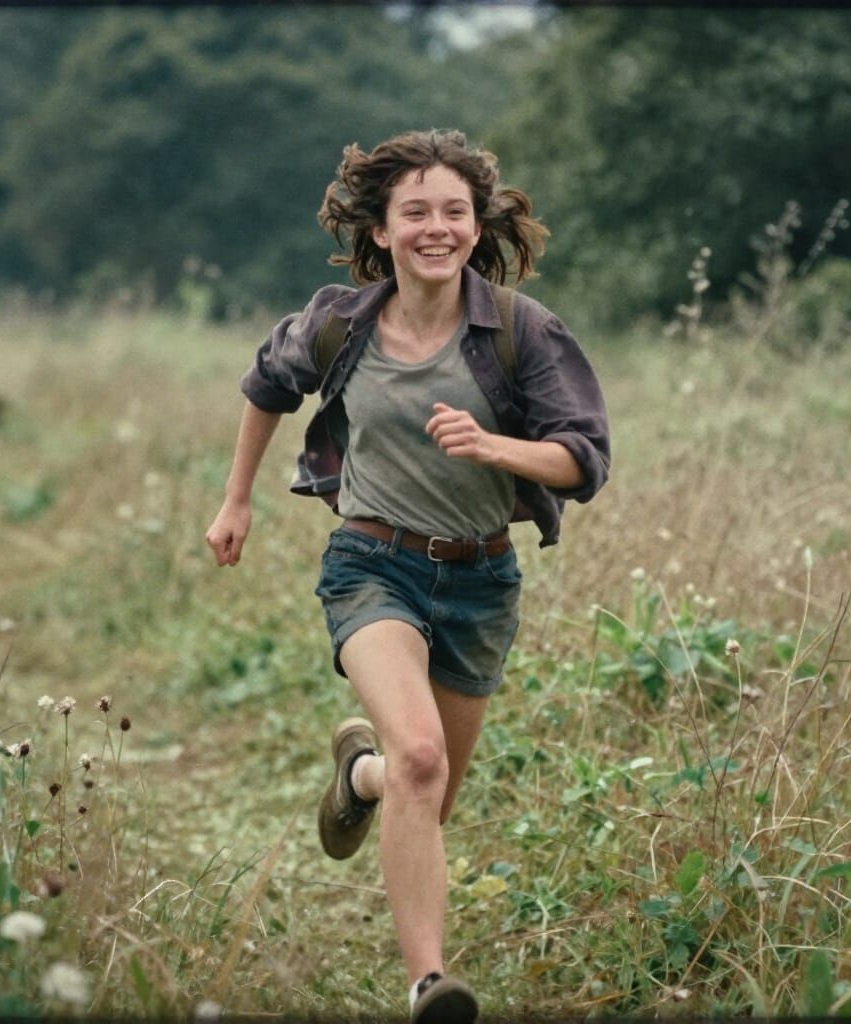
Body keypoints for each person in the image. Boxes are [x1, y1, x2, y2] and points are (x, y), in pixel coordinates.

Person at [205, 129, 609, 1024]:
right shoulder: (340, 323)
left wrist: (495, 446)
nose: (438, 227)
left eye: (454, 212)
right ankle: (430, 984)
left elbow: (585, 460)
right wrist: (237, 502)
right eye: (415, 211)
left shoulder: (521, 330)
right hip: (372, 564)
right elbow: (265, 386)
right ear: (382, 230)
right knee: (421, 757)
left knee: (426, 792)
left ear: (477, 223)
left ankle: (361, 778)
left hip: (481, 581)